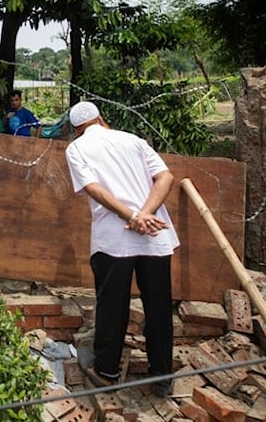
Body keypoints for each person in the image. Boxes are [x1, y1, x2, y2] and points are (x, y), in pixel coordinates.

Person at [63, 100, 178, 397]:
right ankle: (162, 377)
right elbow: (166, 177)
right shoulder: (133, 140)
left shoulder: (76, 149)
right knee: (159, 307)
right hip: (155, 236)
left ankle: (107, 372)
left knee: (113, 305)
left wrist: (132, 216)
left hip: (114, 240)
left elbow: (93, 189)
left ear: (77, 130)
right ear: (101, 119)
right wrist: (146, 212)